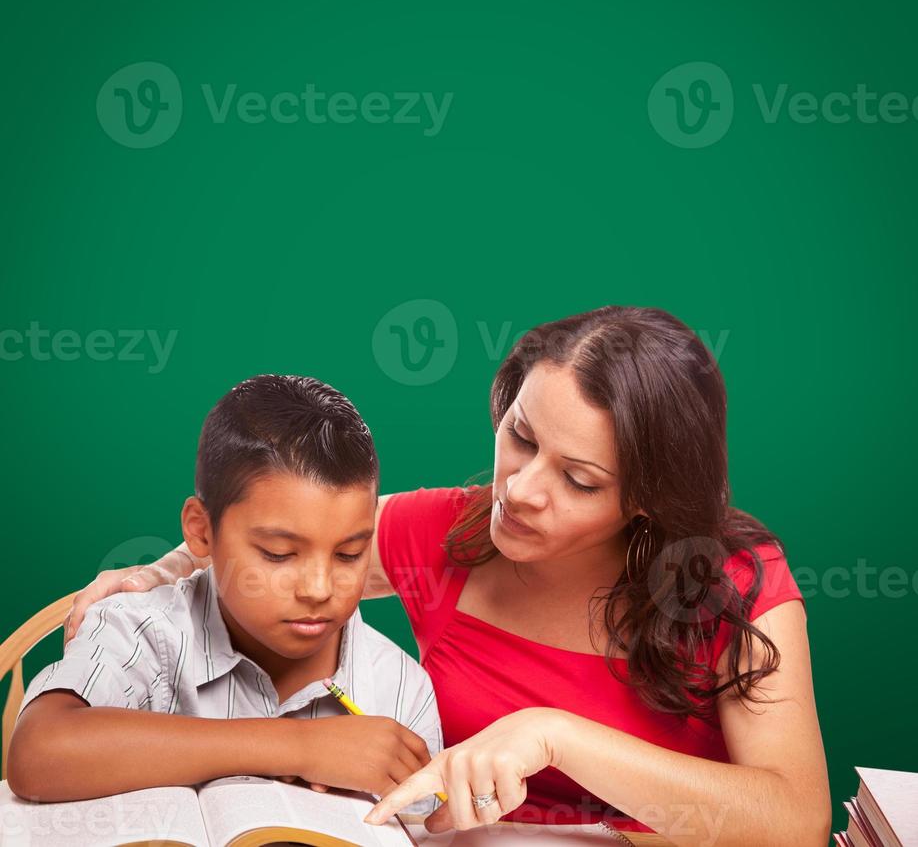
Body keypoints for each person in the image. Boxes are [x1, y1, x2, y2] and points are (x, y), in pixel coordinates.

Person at [64, 307, 832, 845]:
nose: (522, 489)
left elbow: (796, 821)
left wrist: (553, 736)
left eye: (581, 480)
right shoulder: (454, 532)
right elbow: (275, 548)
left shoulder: (733, 578)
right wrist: (160, 573)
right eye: (521, 438)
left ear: (647, 500)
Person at [9, 374, 440, 811]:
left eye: (349, 554)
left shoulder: (400, 688)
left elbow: (427, 829)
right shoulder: (144, 633)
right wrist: (297, 747)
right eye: (278, 554)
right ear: (200, 531)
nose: (318, 589)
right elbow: (38, 753)